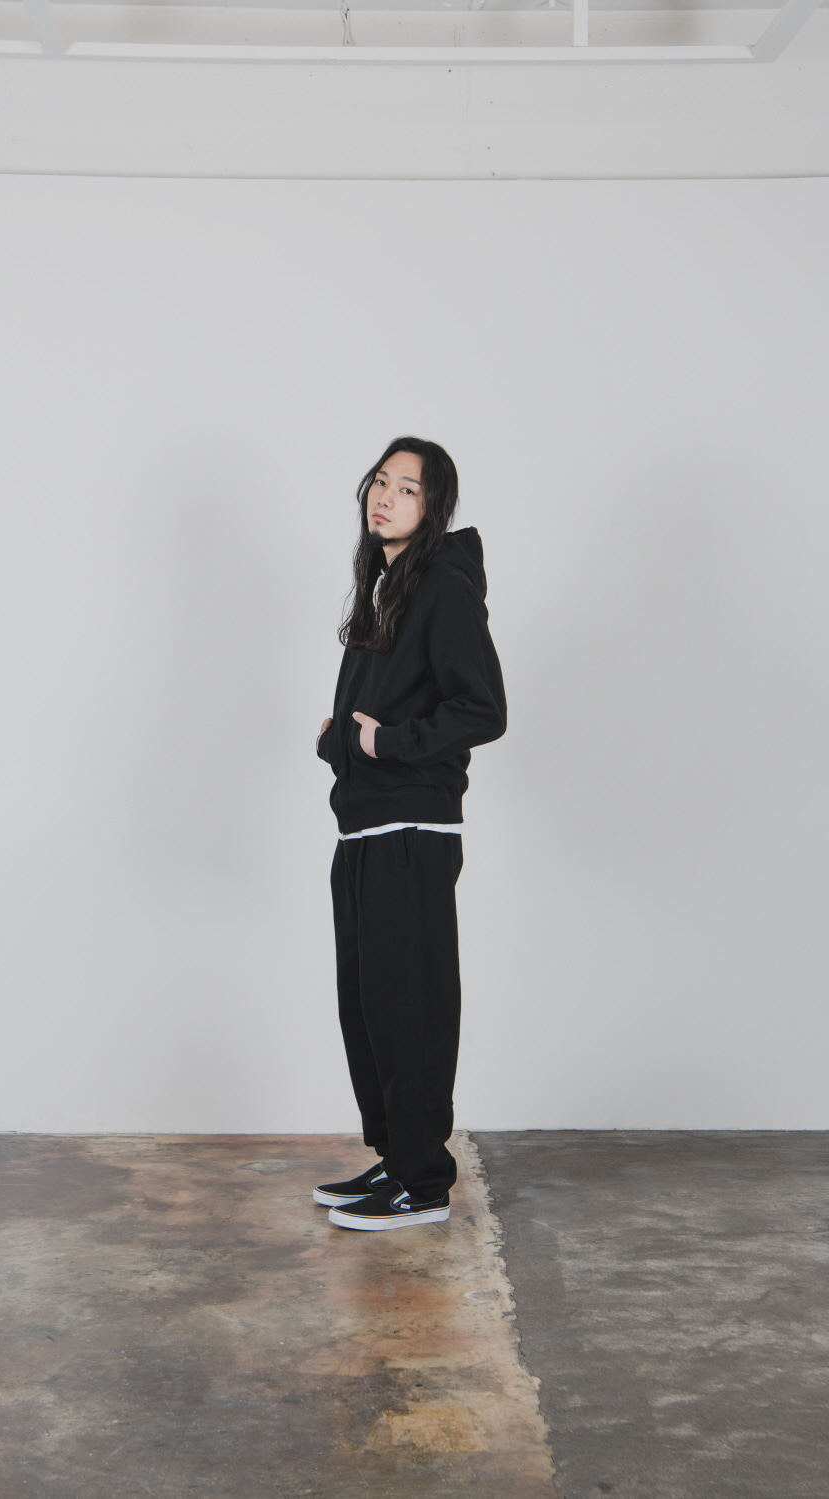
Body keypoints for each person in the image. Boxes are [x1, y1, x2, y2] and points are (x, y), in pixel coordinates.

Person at [313, 436, 507, 1231]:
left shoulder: (442, 588)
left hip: (410, 828)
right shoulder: (385, 588)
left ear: (434, 509)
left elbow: (482, 709)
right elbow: (374, 714)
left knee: (409, 1007)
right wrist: (341, 740)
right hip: (364, 829)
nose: (386, 496)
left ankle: (422, 1182)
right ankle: (397, 1155)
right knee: (367, 1006)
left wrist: (383, 742)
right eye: (381, 481)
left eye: (409, 488)